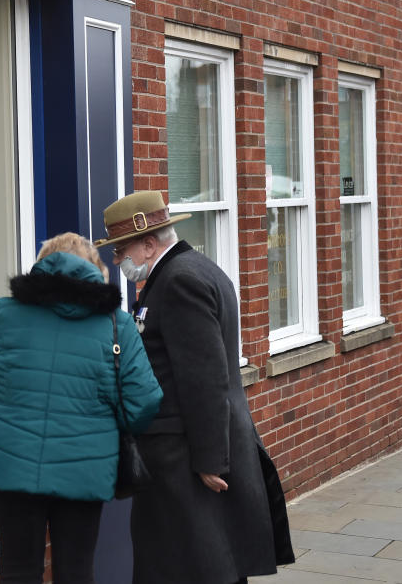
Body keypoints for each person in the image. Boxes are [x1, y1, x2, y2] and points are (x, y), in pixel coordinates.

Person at [0, 232, 162, 584]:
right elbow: (145, 400)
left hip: (13, 464)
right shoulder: (117, 326)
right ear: (95, 270)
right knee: (76, 571)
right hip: (85, 466)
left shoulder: (6, 314)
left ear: (42, 266)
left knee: (18, 571)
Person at [94, 191, 295, 584]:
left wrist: (209, 460)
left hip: (185, 458)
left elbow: (203, 377)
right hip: (191, 451)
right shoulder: (193, 270)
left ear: (149, 243)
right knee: (210, 563)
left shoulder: (179, 280)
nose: (118, 261)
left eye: (122, 250)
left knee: (195, 566)